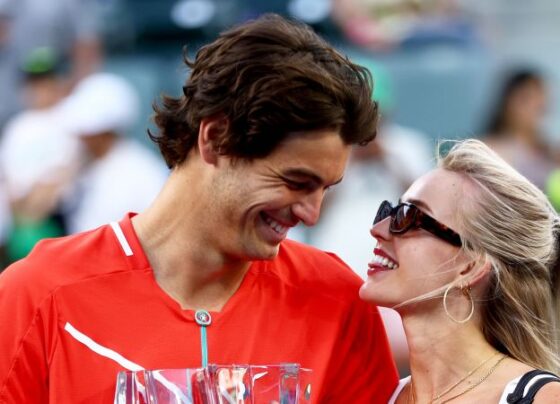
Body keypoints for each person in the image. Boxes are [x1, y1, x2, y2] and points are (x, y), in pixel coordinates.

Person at [0, 14, 398, 403]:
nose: (311, 213)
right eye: (296, 182)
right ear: (216, 138)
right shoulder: (38, 294)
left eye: (325, 188)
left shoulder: (336, 300)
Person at [360, 139, 560, 403]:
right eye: (390, 211)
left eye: (408, 215)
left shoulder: (543, 398)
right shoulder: (379, 394)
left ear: (469, 267)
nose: (378, 229)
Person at [57, 72, 169, 234]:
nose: (79, 137)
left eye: (87, 131)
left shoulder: (145, 173)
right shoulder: (82, 165)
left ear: (105, 132)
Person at [482, 68, 559, 192]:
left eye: (540, 100)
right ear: (507, 104)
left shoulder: (550, 152)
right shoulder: (490, 149)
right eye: (526, 99)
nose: (534, 107)